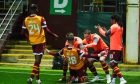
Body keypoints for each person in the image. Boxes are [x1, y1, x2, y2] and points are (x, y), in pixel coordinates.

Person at [21, 4, 58, 84]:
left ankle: (38, 80)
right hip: (40, 41)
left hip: (33, 42)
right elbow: (46, 30)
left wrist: (28, 39)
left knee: (37, 62)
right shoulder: (41, 18)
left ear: (30, 10)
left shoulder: (25, 19)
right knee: (37, 62)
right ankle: (31, 78)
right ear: (36, 9)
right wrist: (54, 35)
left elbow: (22, 33)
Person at [97, 14, 127, 84]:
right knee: (115, 65)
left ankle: (122, 79)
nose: (110, 21)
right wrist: (106, 30)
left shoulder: (114, 26)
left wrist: (99, 29)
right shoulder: (120, 27)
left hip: (114, 48)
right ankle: (113, 81)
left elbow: (105, 34)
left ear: (114, 20)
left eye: (111, 20)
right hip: (119, 48)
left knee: (112, 64)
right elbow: (112, 34)